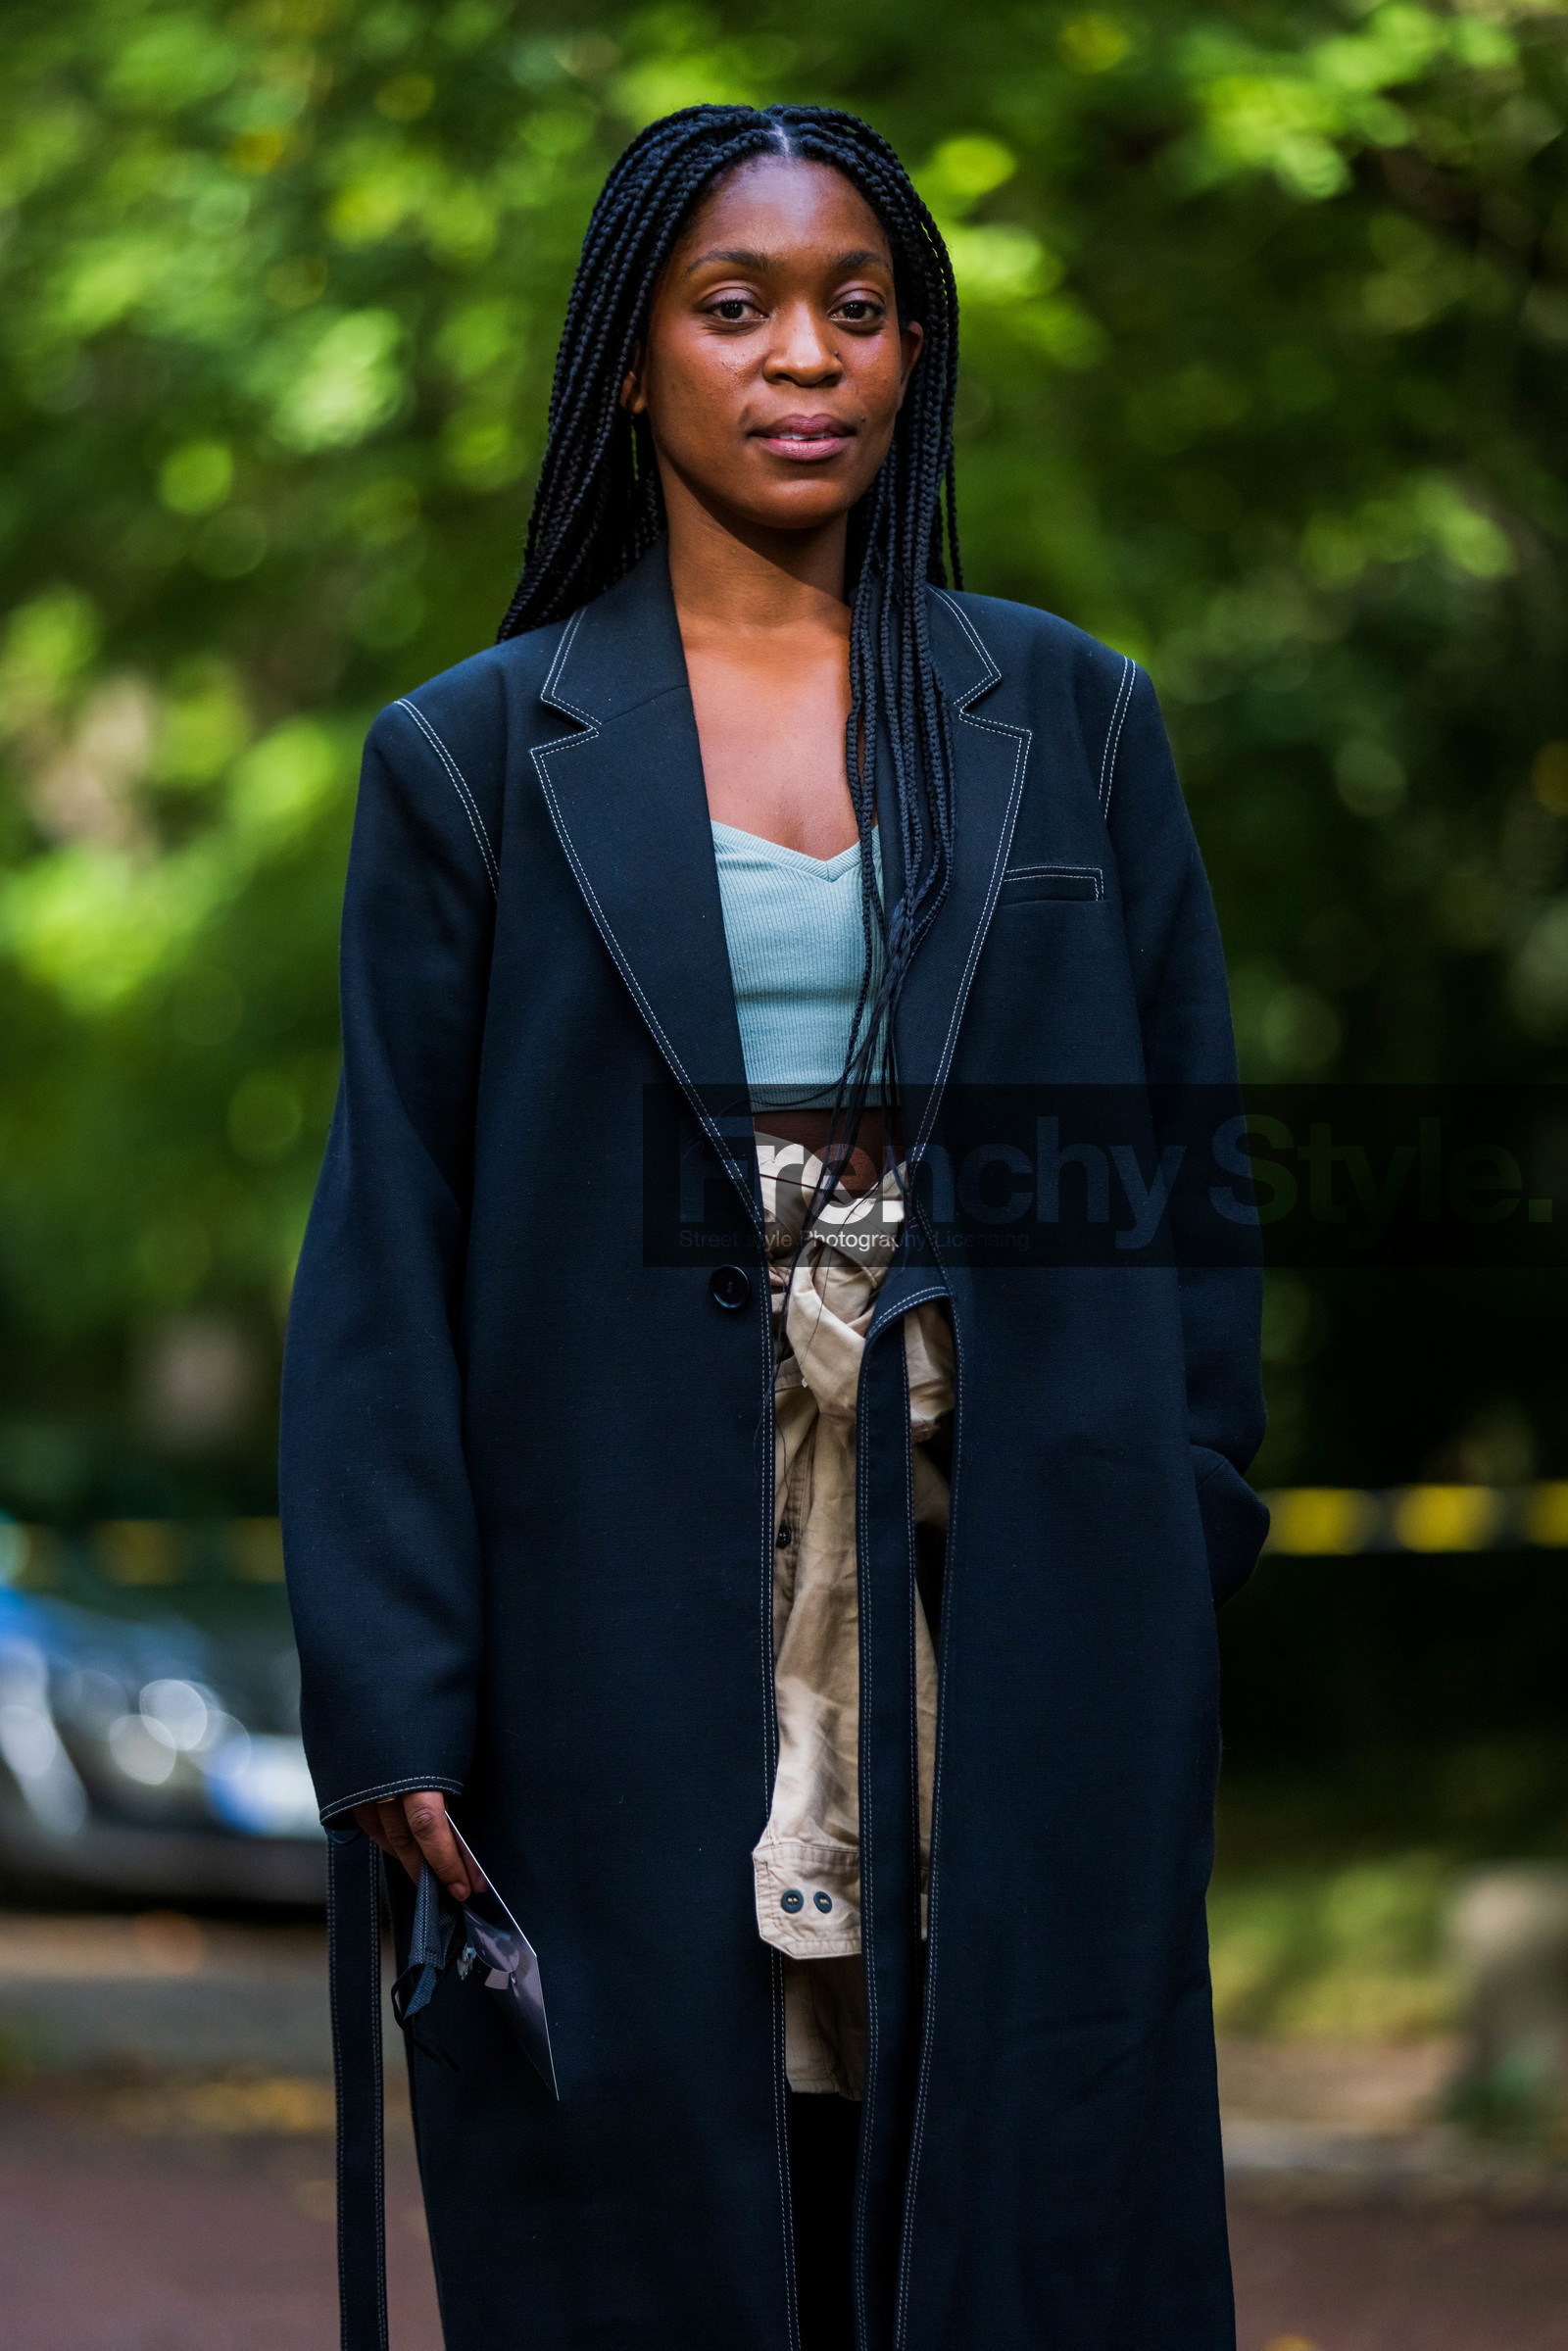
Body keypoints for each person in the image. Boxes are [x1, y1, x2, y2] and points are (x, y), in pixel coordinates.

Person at [281, 101, 1267, 2351]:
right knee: (663, 2184)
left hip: (1001, 1595)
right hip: (618, 1611)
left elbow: (1186, 1169)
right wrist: (395, 1696)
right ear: (631, 365)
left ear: (912, 352)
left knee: (1002, 2188)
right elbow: (387, 1251)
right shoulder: (467, 762)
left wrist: (1179, 1524)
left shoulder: (1069, 722)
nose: (802, 357)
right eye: (733, 310)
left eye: (856, 309)